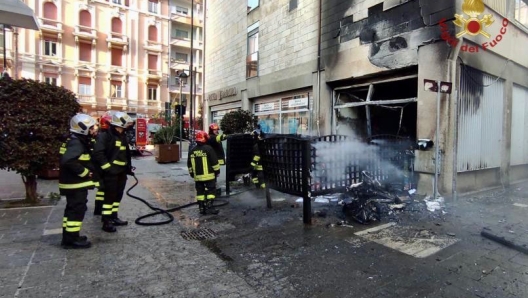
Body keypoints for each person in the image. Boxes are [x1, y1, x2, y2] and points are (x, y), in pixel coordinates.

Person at [59, 114, 98, 249]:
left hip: (71, 183)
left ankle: (69, 236)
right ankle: (72, 240)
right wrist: (85, 172)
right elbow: (68, 160)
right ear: (82, 128)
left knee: (71, 210)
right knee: (77, 210)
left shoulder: (74, 139)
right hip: (75, 184)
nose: (94, 130)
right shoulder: (76, 142)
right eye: (92, 127)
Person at [93, 111, 135, 233]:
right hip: (111, 173)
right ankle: (106, 221)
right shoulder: (106, 136)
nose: (129, 125)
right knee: (109, 197)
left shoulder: (122, 136)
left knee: (118, 196)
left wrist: (128, 168)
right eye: (127, 123)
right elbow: (98, 154)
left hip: (121, 172)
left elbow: (125, 154)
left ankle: (114, 217)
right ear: (120, 123)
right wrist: (107, 168)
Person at [188, 130, 221, 215]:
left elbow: (189, 164)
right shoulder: (208, 149)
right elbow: (214, 162)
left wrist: (192, 174)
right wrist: (217, 172)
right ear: (205, 138)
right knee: (211, 191)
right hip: (209, 176)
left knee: (200, 193)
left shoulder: (192, 150)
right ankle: (209, 206)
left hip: (198, 177)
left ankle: (201, 208)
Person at [92, 112, 113, 216]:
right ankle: (101, 210)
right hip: (101, 167)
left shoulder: (99, 134)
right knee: (103, 189)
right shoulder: (104, 136)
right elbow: (100, 153)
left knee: (101, 189)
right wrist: (108, 168)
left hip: (98, 166)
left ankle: (98, 209)